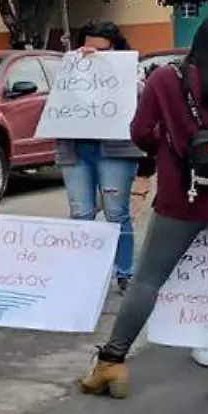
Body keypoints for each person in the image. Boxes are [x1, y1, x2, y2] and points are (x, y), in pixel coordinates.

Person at [78, 11, 208, 406]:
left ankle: (112, 361)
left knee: (148, 278)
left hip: (182, 194)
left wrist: (170, 147)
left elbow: (138, 132)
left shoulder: (166, 79)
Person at [56, 23, 144, 292]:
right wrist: (75, 68)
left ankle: (125, 271)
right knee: (81, 213)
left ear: (116, 48)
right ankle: (86, 272)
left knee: (116, 212)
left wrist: (107, 68)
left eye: (103, 50)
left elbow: (140, 93)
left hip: (115, 150)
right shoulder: (70, 68)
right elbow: (56, 104)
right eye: (88, 48)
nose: (94, 54)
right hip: (76, 148)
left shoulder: (132, 69)